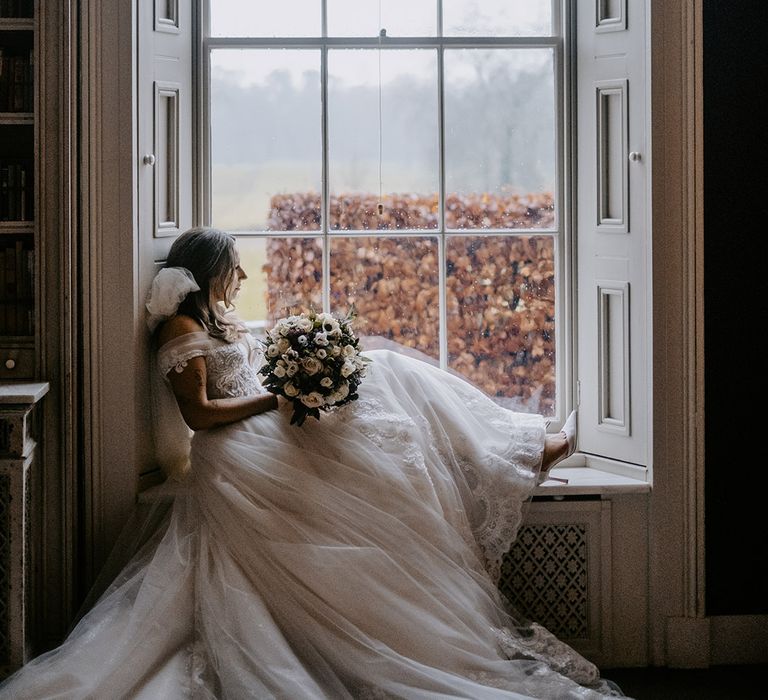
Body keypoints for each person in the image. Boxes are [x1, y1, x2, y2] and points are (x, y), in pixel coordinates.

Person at [0, 227, 622, 699]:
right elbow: (201, 415)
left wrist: (303, 367)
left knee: (385, 384)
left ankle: (509, 449)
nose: (242, 277)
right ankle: (519, 450)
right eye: (233, 268)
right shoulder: (180, 329)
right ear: (210, 271)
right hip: (229, 452)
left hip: (253, 431)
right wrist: (284, 393)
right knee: (385, 385)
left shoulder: (209, 320)